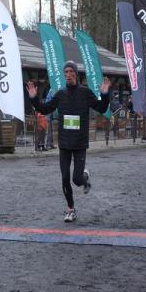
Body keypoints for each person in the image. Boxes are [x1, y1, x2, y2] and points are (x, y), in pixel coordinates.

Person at [27, 61, 110, 222]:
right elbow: (44, 109)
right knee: (65, 178)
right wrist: (33, 99)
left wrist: (105, 95)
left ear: (76, 74)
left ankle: (84, 177)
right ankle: (70, 209)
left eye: (71, 71)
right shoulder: (60, 94)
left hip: (79, 143)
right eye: (66, 72)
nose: (68, 75)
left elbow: (101, 108)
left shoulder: (85, 93)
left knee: (76, 179)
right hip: (64, 143)